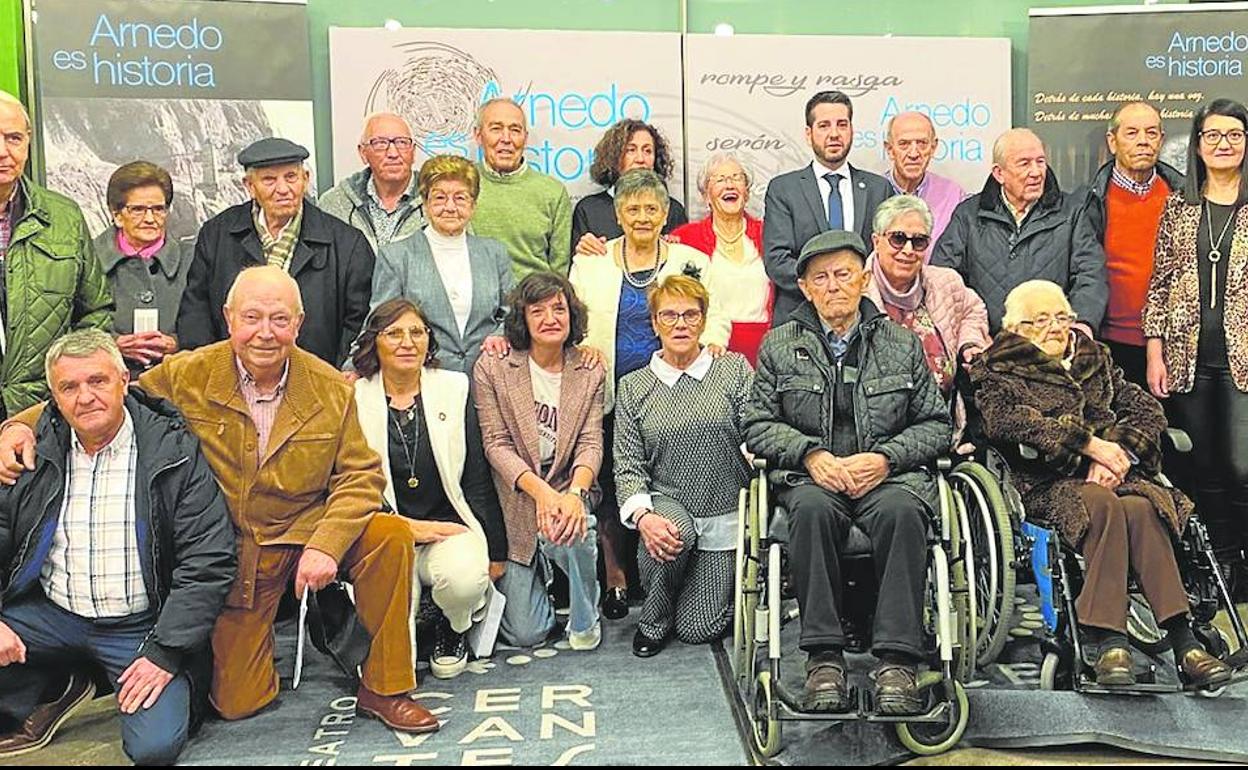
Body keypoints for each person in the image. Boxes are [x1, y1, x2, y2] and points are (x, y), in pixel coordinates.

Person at [0, 266, 439, 732]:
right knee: (236, 702)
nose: (265, 333)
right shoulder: (189, 374)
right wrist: (18, 426)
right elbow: (103, 398)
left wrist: (328, 544)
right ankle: (309, 622)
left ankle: (386, 687)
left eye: (279, 319)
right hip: (238, 554)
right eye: (252, 317)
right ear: (229, 318)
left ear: (299, 322)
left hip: (309, 531)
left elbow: (360, 475)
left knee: (388, 536)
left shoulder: (330, 387)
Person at [972, 280, 1231, 689]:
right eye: (1040, 320)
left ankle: (1184, 642)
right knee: (1103, 505)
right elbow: (1010, 422)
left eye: (1062, 317)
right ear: (1018, 328)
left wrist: (1122, 455)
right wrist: (1089, 446)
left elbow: (1146, 410)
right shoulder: (998, 368)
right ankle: (1110, 638)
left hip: (1119, 477)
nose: (1055, 327)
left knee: (1143, 507)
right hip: (1047, 481)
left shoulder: (1096, 359)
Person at [742, 230, 952, 715]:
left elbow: (936, 424)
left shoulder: (901, 343)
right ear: (805, 287)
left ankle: (898, 661)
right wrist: (811, 455)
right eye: (821, 278)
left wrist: (885, 459)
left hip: (887, 477)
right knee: (810, 511)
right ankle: (824, 658)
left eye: (843, 274)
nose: (834, 286)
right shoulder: (779, 346)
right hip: (814, 478)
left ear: (862, 279)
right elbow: (756, 424)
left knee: (904, 512)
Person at [0, 330, 234, 764]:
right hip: (52, 614)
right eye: (69, 387)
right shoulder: (32, 451)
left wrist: (166, 651)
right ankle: (59, 680)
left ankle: (91, 672)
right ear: (53, 395)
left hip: (139, 626)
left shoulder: (173, 452)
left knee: (154, 748)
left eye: (98, 381)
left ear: (124, 380)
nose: (85, 397)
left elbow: (209, 560)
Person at [570, 168, 730, 620]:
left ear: (665, 214)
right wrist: (582, 350)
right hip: (607, 387)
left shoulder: (690, 259)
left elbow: (714, 311)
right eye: (632, 208)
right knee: (612, 477)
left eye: (651, 209)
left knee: (663, 476)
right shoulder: (591, 261)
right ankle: (616, 575)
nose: (642, 216)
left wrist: (714, 337)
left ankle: (661, 567)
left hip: (673, 387)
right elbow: (575, 318)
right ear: (618, 213)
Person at [352, 298, 507, 679]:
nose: (407, 342)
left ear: (428, 341)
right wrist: (405, 528)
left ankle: (450, 624)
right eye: (394, 333)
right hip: (386, 533)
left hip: (449, 528)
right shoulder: (354, 398)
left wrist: (496, 549)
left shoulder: (454, 388)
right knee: (393, 670)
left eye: (417, 332)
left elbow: (475, 475)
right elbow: (353, 486)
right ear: (374, 342)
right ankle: (414, 619)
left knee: (465, 581)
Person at [614, 276, 752, 657]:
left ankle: (691, 591)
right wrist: (643, 517)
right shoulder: (633, 386)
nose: (680, 324)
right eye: (669, 315)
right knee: (670, 533)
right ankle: (652, 620)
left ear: (704, 321)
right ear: (655, 323)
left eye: (690, 315)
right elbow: (628, 465)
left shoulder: (733, 370)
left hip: (724, 510)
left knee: (698, 629)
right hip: (668, 504)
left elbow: (754, 431)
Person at [1143, 98, 1248, 588]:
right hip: (1188, 358)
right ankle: (1225, 565)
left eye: (1234, 134)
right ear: (1198, 144)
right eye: (1213, 135)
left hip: (1243, 359)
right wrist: (1154, 348)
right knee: (1203, 467)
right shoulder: (1180, 205)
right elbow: (1160, 281)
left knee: (1242, 466)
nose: (1223, 144)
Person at [473, 272, 606, 650]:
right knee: (525, 634)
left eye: (559, 309)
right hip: (517, 500)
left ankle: (583, 616)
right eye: (538, 311)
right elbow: (496, 445)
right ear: (523, 319)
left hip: (569, 492)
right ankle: (543, 572)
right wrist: (543, 495)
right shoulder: (494, 367)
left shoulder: (591, 368)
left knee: (577, 528)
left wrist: (574, 494)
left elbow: (590, 442)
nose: (551, 318)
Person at [176, 137, 374, 368]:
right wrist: (210, 371)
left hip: (317, 383)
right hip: (230, 383)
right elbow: (196, 311)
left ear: (305, 179)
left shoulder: (346, 243)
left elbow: (360, 320)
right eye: (269, 180)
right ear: (249, 186)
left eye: (291, 177)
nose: (283, 189)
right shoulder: (218, 234)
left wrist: (337, 377)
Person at [0, 90, 113, 417]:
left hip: (42, 410)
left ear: (28, 142)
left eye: (14, 138)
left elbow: (95, 311)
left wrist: (70, 383)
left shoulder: (64, 217)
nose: (3, 151)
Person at [932, 128, 1107, 335]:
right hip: (987, 348)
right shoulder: (969, 214)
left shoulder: (1073, 213)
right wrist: (969, 339)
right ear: (999, 173)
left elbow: (1091, 274)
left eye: (1040, 161)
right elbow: (944, 280)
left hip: (1051, 346)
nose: (1036, 172)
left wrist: (1081, 325)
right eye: (1024, 163)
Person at [370, 155, 512, 374]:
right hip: (423, 379)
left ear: (473, 205)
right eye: (439, 198)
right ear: (425, 204)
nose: (450, 207)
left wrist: (500, 334)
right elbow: (379, 322)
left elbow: (511, 312)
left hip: (487, 379)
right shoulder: (396, 257)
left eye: (460, 198)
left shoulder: (495, 253)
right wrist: (353, 366)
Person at [762, 91, 893, 326]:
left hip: (863, 321)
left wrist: (851, 293)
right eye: (824, 125)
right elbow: (777, 260)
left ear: (852, 130)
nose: (834, 134)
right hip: (799, 320)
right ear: (808, 133)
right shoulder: (783, 189)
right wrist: (826, 289)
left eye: (842, 124)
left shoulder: (878, 189)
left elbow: (886, 257)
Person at [864, 195, 989, 439]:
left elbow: (973, 310)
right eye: (898, 239)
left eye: (919, 241)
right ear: (876, 241)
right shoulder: (855, 291)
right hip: (880, 433)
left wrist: (970, 343)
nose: (908, 250)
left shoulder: (945, 282)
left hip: (946, 425)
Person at [1081, 102, 1184, 387]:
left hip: (1175, 346)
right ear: (1112, 142)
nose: (1143, 141)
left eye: (1151, 133)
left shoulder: (1185, 198)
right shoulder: (1088, 203)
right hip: (1110, 346)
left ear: (1161, 141)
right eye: (1132, 133)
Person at [670, 153, 772, 364]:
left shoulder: (769, 234)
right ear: (705, 195)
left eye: (737, 178)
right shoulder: (684, 238)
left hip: (766, 350)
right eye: (720, 179)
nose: (730, 185)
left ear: (747, 192)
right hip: (710, 350)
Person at [93, 161, 189, 372]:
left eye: (158, 209)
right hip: (109, 382)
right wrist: (112, 344)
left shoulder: (193, 260)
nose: (149, 219)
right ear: (117, 215)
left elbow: (211, 325)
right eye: (137, 210)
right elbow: (71, 328)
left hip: (178, 382)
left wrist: (177, 343)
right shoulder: (88, 261)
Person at [470, 99, 572, 280]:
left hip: (533, 302)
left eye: (515, 130)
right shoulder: (462, 185)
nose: (506, 139)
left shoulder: (552, 192)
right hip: (476, 303)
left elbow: (559, 271)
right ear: (478, 135)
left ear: (525, 138)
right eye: (496, 129)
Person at [572, 119, 687, 256]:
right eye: (631, 150)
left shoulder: (672, 209)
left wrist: (676, 248)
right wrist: (584, 249)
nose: (640, 159)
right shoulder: (588, 209)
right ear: (614, 157)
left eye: (647, 151)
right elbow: (578, 265)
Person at [320, 112, 425, 251]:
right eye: (380, 143)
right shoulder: (335, 204)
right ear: (363, 153)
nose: (393, 153)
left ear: (413, 152)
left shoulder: (441, 202)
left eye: (402, 143)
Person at [882, 111, 966, 248]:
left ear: (933, 148)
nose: (914, 154)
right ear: (890, 150)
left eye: (922, 143)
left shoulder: (953, 195)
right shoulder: (873, 193)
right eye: (904, 144)